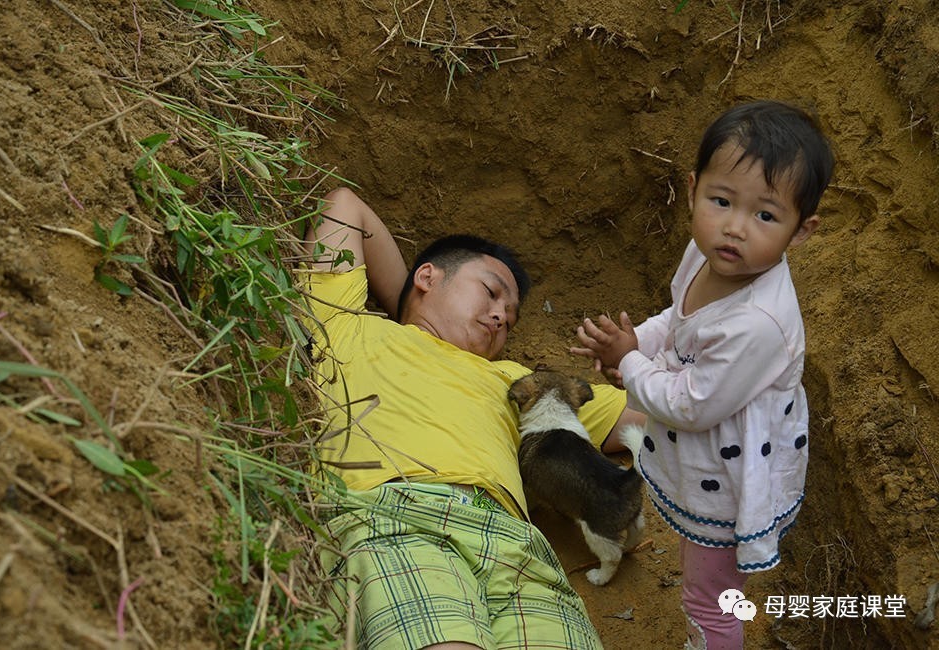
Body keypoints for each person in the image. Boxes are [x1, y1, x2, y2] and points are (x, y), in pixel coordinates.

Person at [300, 187, 644, 650]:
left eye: (512, 317)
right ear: (427, 275)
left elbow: (658, 418)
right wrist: (409, 305)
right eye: (490, 292)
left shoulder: (521, 383)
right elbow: (345, 205)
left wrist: (640, 367)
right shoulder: (345, 325)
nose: (501, 315)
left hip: (519, 549)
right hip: (398, 518)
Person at [570, 100, 835, 649]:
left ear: (802, 231)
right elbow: (679, 318)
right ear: (693, 190)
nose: (734, 228)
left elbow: (692, 404)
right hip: (707, 454)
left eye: (765, 215)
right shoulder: (704, 252)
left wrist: (629, 362)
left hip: (732, 478)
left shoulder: (758, 323)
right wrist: (638, 341)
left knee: (710, 602)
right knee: (705, 588)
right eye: (720, 201)